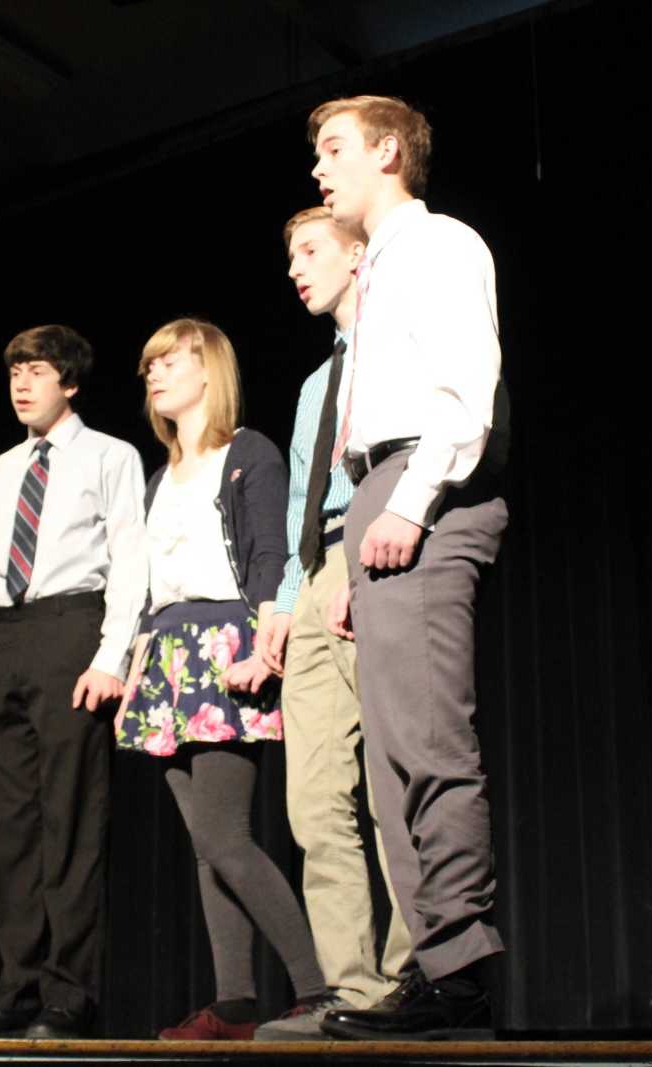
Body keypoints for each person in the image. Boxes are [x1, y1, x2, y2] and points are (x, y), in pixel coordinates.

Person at [305, 95, 512, 1041]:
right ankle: (433, 967)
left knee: (427, 743)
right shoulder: (380, 269)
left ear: (388, 151)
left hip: (421, 486)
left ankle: (461, 975)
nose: (319, 169)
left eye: (333, 149)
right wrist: (361, 544)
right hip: (378, 494)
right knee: (391, 761)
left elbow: (467, 392)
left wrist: (411, 502)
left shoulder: (437, 245)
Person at [115, 317, 328, 1041]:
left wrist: (263, 645)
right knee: (207, 846)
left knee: (224, 834)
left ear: (209, 370)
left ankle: (318, 989)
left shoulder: (248, 453)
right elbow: (151, 584)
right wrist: (137, 664)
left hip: (228, 644)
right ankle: (235, 1002)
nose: (155, 373)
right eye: (150, 365)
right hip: (168, 657)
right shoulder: (159, 479)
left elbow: (270, 552)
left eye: (170, 361)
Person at [0, 325, 148, 1041]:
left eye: (36, 371)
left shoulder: (110, 456)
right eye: (14, 373)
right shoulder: (0, 469)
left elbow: (130, 556)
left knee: (69, 818)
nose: (22, 384)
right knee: (6, 826)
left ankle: (69, 993)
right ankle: (17, 986)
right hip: (2, 636)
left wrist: (111, 656)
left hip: (70, 627)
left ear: (70, 382)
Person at [247, 207, 414, 1040]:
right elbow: (299, 506)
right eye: (290, 256)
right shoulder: (316, 383)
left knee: (394, 786)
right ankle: (351, 989)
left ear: (357, 256)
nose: (295, 268)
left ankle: (414, 980)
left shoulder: (396, 347)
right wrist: (286, 596)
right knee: (313, 799)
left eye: (310, 250)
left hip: (375, 554)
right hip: (314, 573)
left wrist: (358, 562)